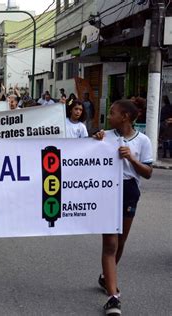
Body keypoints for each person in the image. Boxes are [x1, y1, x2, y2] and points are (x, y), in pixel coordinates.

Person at [93, 99, 153, 316]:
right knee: (110, 243)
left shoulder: (143, 140)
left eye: (112, 113)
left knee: (121, 242)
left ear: (125, 116)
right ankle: (112, 297)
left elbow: (147, 172)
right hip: (108, 191)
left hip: (129, 192)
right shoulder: (106, 136)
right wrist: (95, 140)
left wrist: (132, 159)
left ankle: (106, 276)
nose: (109, 116)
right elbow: (88, 158)